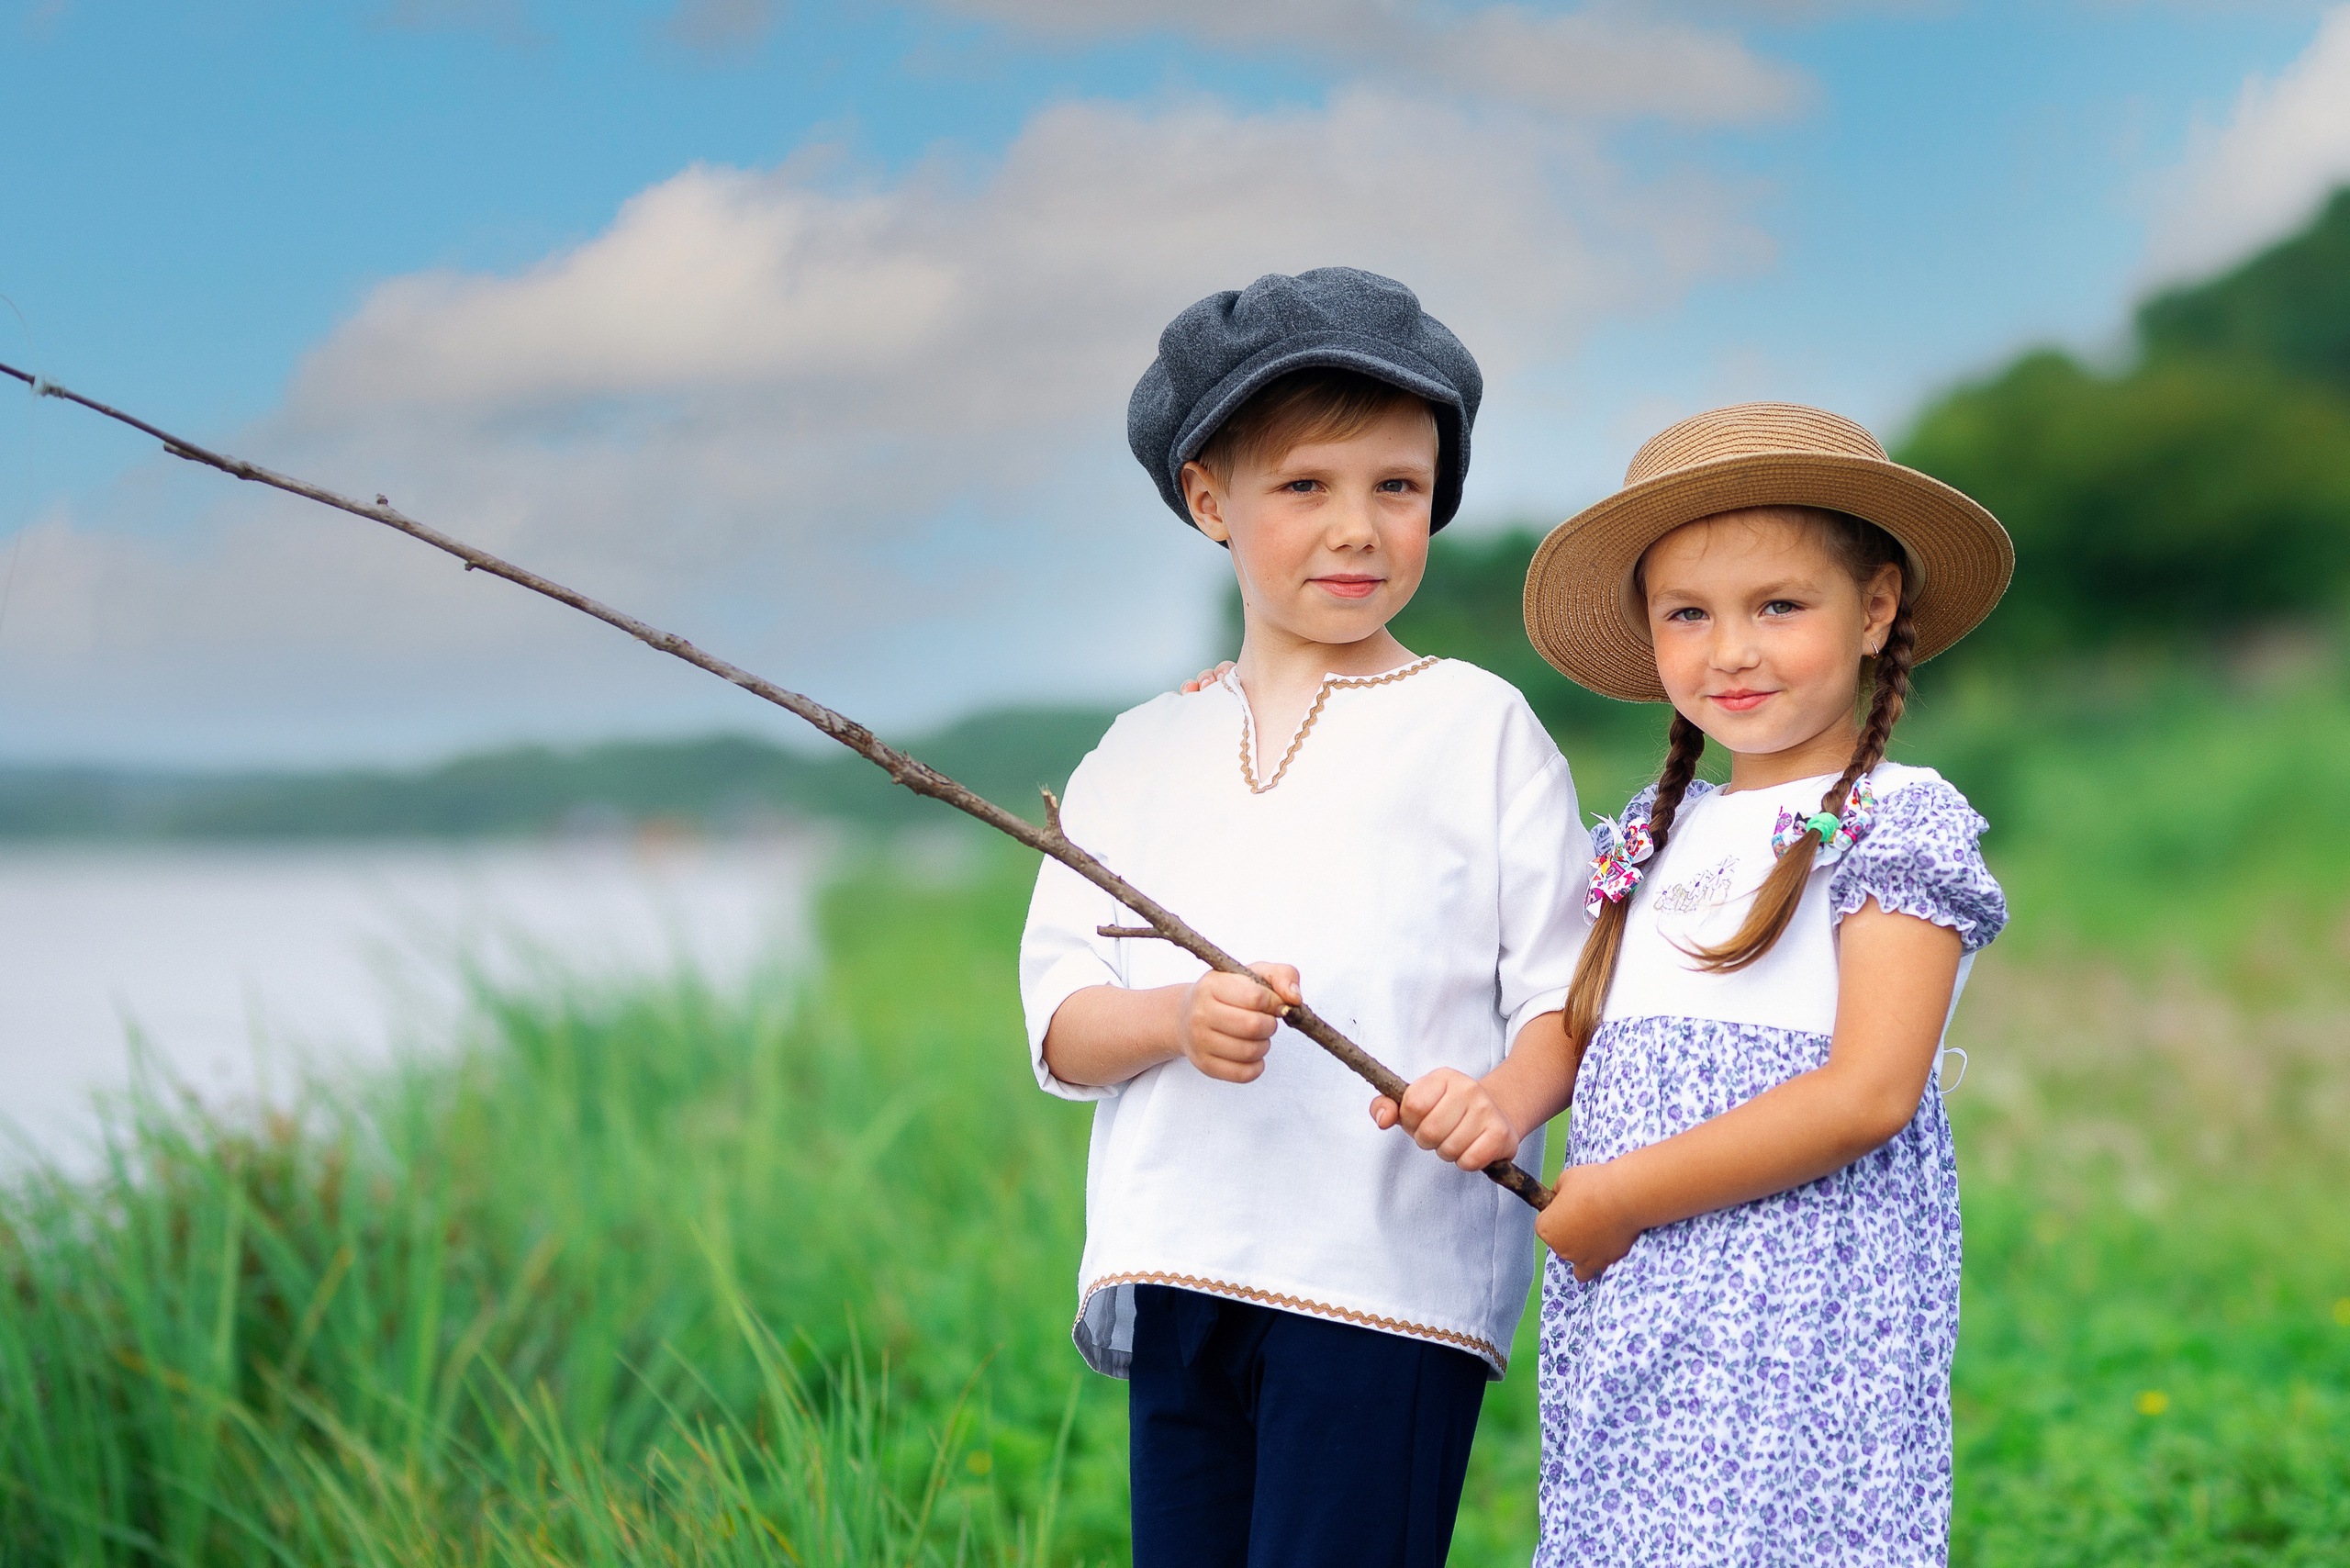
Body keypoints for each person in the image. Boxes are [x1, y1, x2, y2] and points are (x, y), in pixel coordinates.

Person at [1018, 267, 1589, 1568]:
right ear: (1208, 498)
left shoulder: (1477, 726)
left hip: (1386, 1275)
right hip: (1181, 1265)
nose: (1358, 528)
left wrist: (1502, 1100)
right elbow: (1060, 1022)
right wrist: (1170, 1016)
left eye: (1398, 487)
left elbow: (1562, 993)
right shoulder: (1136, 751)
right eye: (1305, 487)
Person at [1391, 402, 2015, 1564]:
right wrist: (1507, 1102)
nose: (1731, 649)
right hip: (1635, 1302)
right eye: (1690, 614)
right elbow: (1582, 1030)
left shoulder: (1894, 821)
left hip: (1796, 1309)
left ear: (1875, 608)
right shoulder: (1652, 828)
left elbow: (1868, 1092)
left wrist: (1620, 1196)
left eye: (1778, 605)